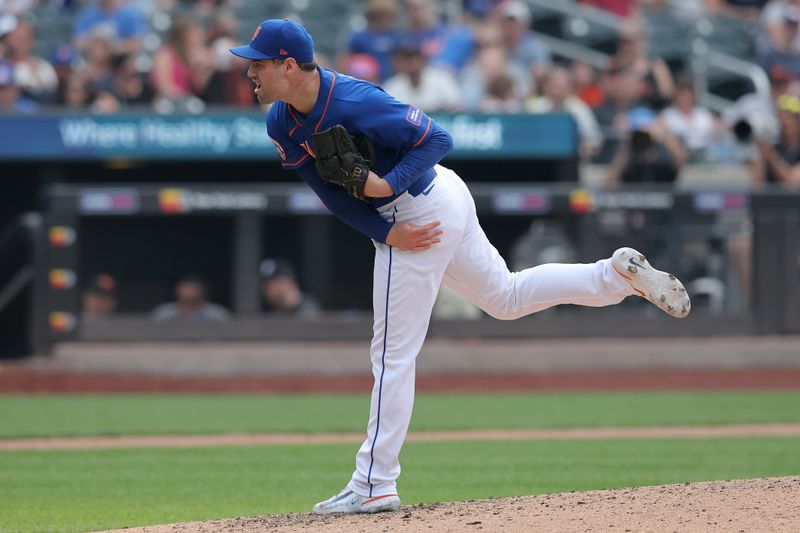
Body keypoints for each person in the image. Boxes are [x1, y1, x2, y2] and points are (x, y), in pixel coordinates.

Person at [228, 18, 691, 515]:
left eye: (257, 63)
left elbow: (437, 138)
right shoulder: (281, 121)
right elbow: (326, 190)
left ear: (289, 65)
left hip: (422, 207)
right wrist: (382, 229)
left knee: (392, 355)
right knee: (507, 299)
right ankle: (613, 275)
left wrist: (388, 196)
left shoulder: (355, 100)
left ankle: (374, 483)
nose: (248, 72)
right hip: (422, 211)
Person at [150, 275, 230, 321]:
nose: (188, 306)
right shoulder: (164, 312)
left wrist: (198, 315)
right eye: (185, 301)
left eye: (193, 301)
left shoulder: (216, 313)